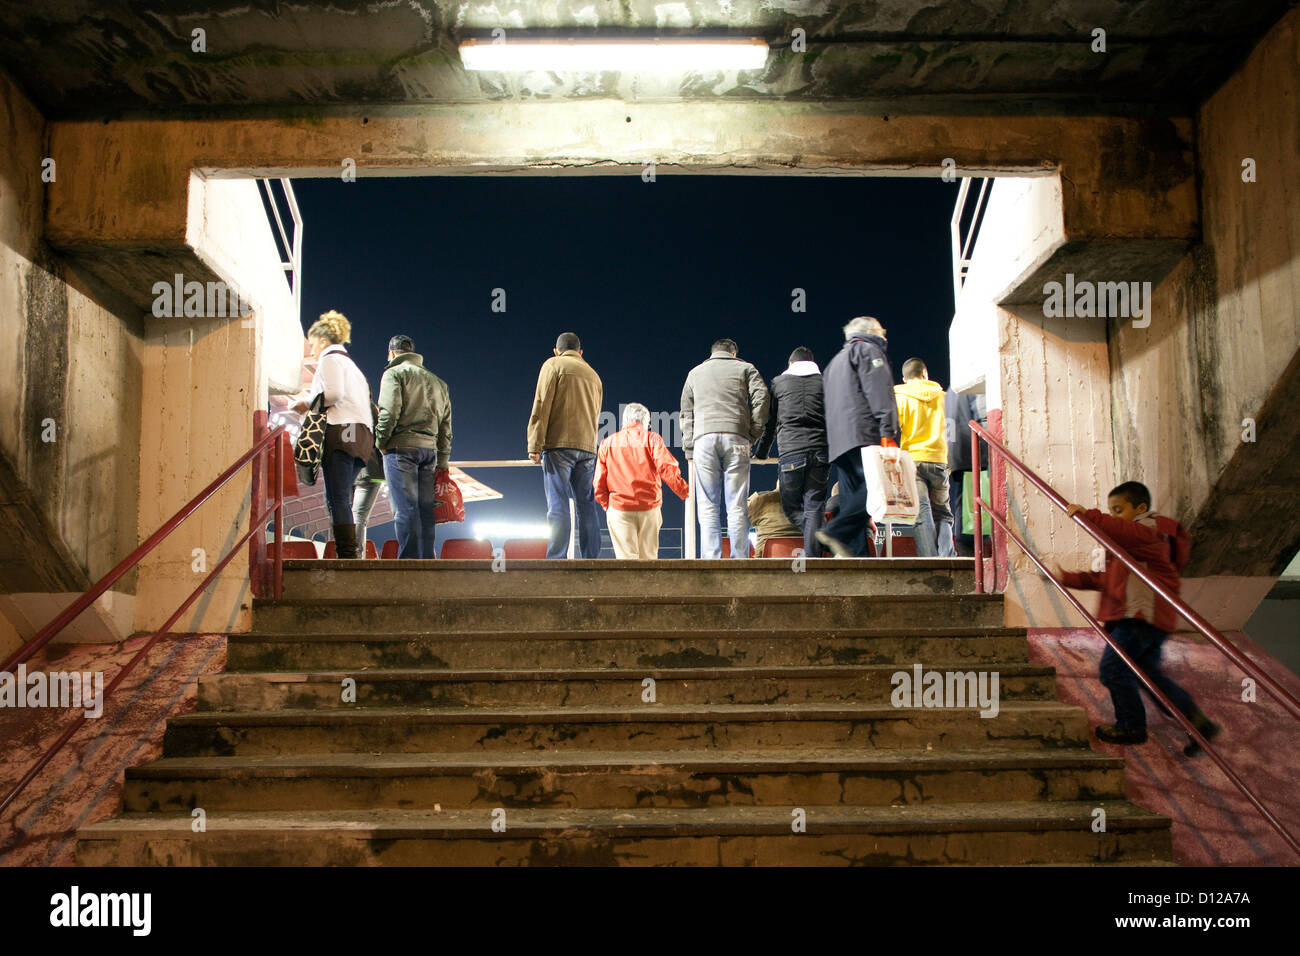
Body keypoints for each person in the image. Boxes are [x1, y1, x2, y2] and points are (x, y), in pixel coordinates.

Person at [1052, 481, 1221, 756]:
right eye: (1111, 511)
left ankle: (1131, 726)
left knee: (1113, 670)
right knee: (1149, 677)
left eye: (1119, 510)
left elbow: (1121, 529)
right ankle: (1198, 723)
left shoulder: (1150, 530)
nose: (1115, 516)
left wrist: (1090, 516)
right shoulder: (1133, 547)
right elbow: (1105, 578)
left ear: (1141, 508)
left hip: (1140, 616)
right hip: (1146, 618)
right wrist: (1067, 578)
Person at [290, 310, 374, 558]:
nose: (312, 349)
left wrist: (305, 403)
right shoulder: (353, 367)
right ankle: (350, 552)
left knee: (336, 498)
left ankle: (347, 556)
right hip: (361, 436)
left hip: (341, 432)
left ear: (323, 341)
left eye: (313, 342)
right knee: (343, 497)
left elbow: (334, 394)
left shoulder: (329, 360)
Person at [816, 317, 900, 558]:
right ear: (872, 331)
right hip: (863, 435)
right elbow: (880, 392)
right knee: (877, 489)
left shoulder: (834, 363)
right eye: (882, 331)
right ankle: (835, 531)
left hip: (839, 441)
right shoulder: (868, 350)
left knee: (853, 496)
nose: (884, 336)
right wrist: (888, 431)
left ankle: (856, 556)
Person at [681, 339, 770, 560]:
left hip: (703, 440)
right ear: (733, 353)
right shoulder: (746, 368)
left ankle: (711, 559)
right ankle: (739, 560)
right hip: (737, 437)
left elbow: (686, 412)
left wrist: (689, 447)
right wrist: (753, 434)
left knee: (708, 505)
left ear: (712, 353)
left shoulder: (695, 373)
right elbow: (762, 398)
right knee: (737, 505)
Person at [527, 332, 604, 559]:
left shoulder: (553, 365)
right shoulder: (594, 375)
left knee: (558, 502)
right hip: (588, 447)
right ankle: (592, 559)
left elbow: (541, 406)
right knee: (586, 505)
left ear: (556, 350)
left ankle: (557, 558)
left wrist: (535, 444)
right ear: (581, 352)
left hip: (559, 445)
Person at [375, 335, 452, 559]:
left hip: (401, 449)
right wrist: (443, 459)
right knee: (425, 510)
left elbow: (389, 412)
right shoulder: (439, 382)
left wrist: (381, 441)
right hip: (430, 452)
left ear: (391, 354)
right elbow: (446, 427)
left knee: (405, 508)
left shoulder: (394, 373)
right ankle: (428, 560)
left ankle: (408, 564)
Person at [756, 346, 829, 560]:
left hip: (791, 453)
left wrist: (761, 453)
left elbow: (770, 424)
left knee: (790, 506)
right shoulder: (824, 383)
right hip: (820, 453)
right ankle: (814, 554)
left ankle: (822, 538)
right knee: (814, 505)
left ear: (790, 364)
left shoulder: (779, 383)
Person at [593, 402, 690, 559]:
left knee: (626, 563)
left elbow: (598, 482)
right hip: (649, 508)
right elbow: (666, 468)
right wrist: (685, 491)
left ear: (625, 421)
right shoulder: (652, 439)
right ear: (645, 422)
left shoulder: (608, 443)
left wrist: (608, 505)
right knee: (649, 561)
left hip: (619, 508)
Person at [895, 358, 955, 557]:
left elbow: (894, 430)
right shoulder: (944, 397)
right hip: (939, 459)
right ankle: (947, 555)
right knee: (944, 513)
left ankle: (930, 560)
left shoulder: (900, 397)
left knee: (922, 513)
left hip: (912, 460)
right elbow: (952, 430)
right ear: (925, 374)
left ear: (904, 378)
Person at [946, 387, 989, 557]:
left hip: (955, 453)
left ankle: (965, 545)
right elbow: (984, 415)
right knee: (978, 501)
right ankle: (974, 548)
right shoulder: (973, 385)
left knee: (962, 502)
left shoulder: (950, 391)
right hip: (974, 452)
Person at [352, 401, 385, 556]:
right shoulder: (368, 407)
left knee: (342, 515)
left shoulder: (338, 405)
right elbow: (381, 435)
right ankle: (356, 556)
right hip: (368, 469)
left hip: (343, 466)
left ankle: (344, 553)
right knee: (359, 515)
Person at [748, 483, 802, 557]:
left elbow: (739, 522)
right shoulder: (811, 505)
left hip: (764, 562)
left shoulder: (760, 499)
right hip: (802, 564)